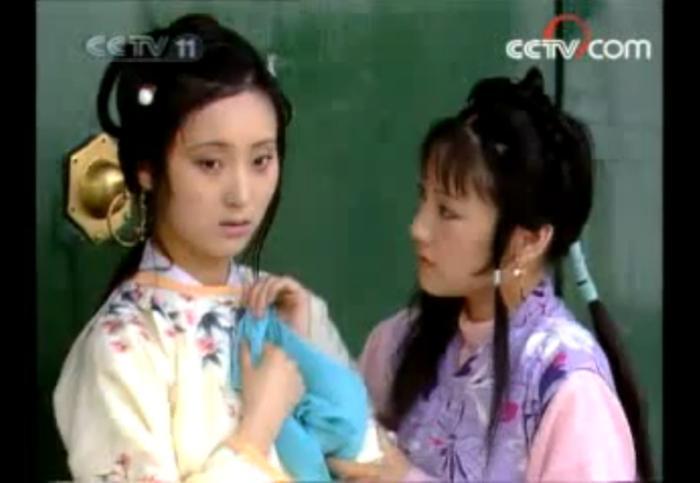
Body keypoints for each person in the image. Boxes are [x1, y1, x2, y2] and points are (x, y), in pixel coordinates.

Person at [53, 13, 380, 482]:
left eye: (261, 160)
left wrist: (307, 352)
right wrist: (256, 431)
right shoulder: (124, 345)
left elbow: (370, 465)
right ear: (147, 167)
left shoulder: (289, 308)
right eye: (210, 163)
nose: (241, 194)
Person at [347, 67, 653, 482]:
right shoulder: (397, 343)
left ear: (528, 241)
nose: (418, 228)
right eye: (424, 198)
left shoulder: (568, 385)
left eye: (447, 211)